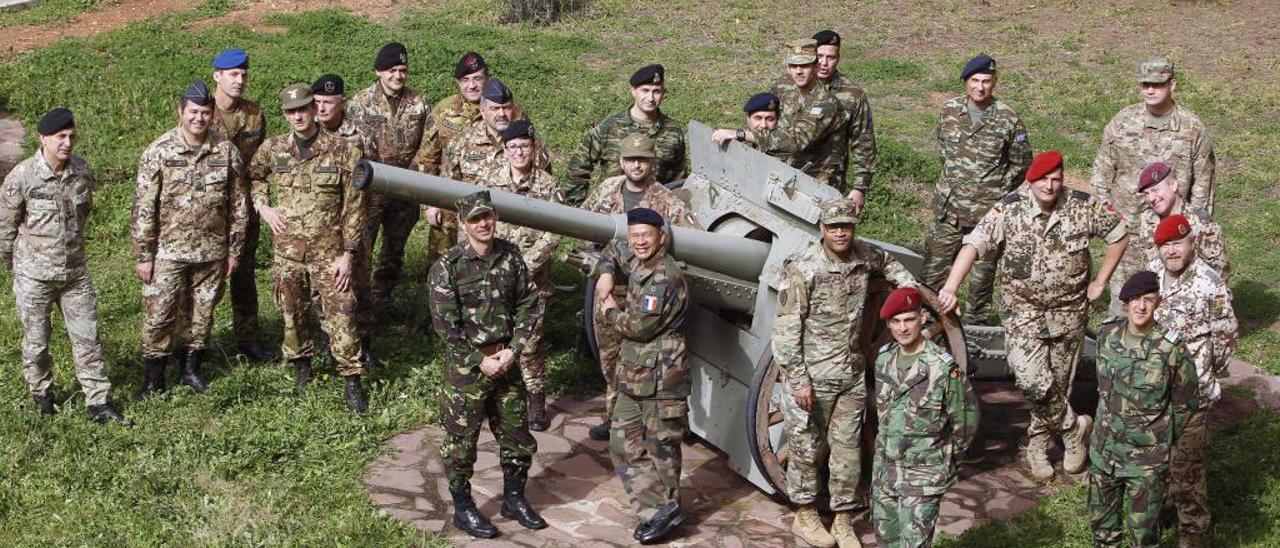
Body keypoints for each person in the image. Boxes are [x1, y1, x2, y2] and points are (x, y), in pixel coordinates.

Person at [938, 151, 1128, 481]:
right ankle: (1073, 430)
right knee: (1031, 380)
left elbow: (1119, 234)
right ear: (1031, 179)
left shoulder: (1083, 206)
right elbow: (973, 244)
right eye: (1043, 179)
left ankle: (1038, 447)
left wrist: (1102, 281)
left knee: (1056, 384)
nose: (1050, 186)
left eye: (1056, 180)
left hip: (1069, 313)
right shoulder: (1009, 208)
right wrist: (952, 286)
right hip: (1023, 313)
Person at [773, 198, 917, 548]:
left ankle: (841, 520)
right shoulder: (803, 267)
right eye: (834, 226)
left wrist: (911, 292)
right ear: (822, 228)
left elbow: (893, 267)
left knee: (848, 449)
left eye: (846, 226)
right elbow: (787, 330)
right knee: (806, 447)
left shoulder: (865, 256)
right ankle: (805, 516)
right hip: (812, 377)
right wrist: (798, 380)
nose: (841, 232)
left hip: (851, 374)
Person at [428, 191, 545, 539]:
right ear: (464, 224)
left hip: (506, 362)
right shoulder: (447, 267)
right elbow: (445, 327)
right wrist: (481, 360)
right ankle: (463, 508)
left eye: (487, 217)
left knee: (517, 437)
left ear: (494, 217)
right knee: (461, 443)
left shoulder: (511, 257)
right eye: (475, 219)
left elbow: (529, 304)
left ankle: (514, 498)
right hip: (468, 371)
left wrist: (513, 350)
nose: (483, 224)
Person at [0, 108, 125, 423]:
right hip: (34, 278)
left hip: (74, 274)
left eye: (71, 136)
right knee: (37, 343)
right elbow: (5, 225)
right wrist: (12, 264)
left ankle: (97, 401)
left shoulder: (81, 171)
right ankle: (42, 396)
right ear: (43, 139)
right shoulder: (23, 176)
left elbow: (84, 212)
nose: (67, 143)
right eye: (60, 137)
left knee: (88, 339)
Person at [249, 83, 368, 413]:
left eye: (303, 109)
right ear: (285, 115)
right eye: (291, 111)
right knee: (292, 314)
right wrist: (263, 207)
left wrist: (348, 254)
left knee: (342, 315)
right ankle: (303, 370)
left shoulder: (343, 151)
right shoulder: (274, 149)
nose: (298, 116)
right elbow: (254, 175)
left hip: (329, 253)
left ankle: (352, 380)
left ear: (315, 110)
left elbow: (355, 206)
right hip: (288, 253)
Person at [131, 79, 248, 397]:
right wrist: (144, 254)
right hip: (167, 251)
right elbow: (144, 205)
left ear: (212, 115)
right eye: (193, 112)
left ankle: (190, 369)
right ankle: (154, 379)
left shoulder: (225, 151)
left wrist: (234, 250)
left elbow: (238, 204)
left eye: (205, 112)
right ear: (180, 112)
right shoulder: (159, 151)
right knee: (160, 313)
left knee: (202, 314)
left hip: (212, 251)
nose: (199, 118)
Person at [581, 133, 697, 441]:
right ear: (620, 161)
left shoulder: (666, 200)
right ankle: (615, 415)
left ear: (652, 163)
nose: (636, 165)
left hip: (650, 294)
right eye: (631, 159)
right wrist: (604, 269)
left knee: (647, 359)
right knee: (610, 359)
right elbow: (582, 231)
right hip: (609, 294)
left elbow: (693, 243)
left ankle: (655, 419)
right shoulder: (606, 190)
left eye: (643, 159)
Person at [1091, 57, 1216, 315]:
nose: (1150, 90)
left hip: (1170, 237)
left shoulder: (1192, 129)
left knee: (1170, 305)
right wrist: (1108, 219)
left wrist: (1193, 232)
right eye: (1145, 84)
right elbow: (1101, 173)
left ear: (1172, 85)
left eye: (1157, 85)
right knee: (1124, 303)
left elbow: (1204, 184)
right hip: (1129, 232)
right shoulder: (1123, 122)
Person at [596, 207, 691, 544]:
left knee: (662, 448)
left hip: (662, 376)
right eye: (634, 235)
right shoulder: (636, 256)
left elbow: (638, 327)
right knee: (622, 443)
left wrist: (609, 310)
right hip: (634, 373)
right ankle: (656, 511)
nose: (638, 242)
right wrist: (606, 272)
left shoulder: (665, 277)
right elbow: (612, 246)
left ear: (660, 237)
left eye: (645, 236)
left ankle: (667, 514)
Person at [1087, 271, 1198, 548]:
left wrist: (1159, 439)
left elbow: (1186, 402)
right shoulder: (1106, 334)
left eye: (1148, 299)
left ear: (1158, 301)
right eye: (1135, 299)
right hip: (1104, 453)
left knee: (1144, 535)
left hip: (1146, 462)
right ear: (1125, 302)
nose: (1141, 306)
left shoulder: (1171, 349)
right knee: (1102, 530)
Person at [921, 54, 1031, 325]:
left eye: (986, 81)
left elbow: (1022, 164)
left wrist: (996, 191)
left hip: (987, 215)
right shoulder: (949, 110)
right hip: (949, 212)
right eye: (975, 81)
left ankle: (973, 333)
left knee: (980, 283)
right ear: (965, 82)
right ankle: (926, 325)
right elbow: (944, 153)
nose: (980, 87)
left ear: (994, 83)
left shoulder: (1008, 118)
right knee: (933, 274)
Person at [1150, 214, 1238, 548]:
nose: (1171, 251)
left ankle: (1192, 532)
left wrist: (1206, 375)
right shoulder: (1152, 275)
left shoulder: (1209, 283)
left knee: (1188, 468)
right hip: (1155, 392)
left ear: (1192, 243)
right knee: (1155, 460)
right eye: (1165, 245)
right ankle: (1156, 516)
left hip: (1192, 394)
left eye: (1177, 243)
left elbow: (1225, 337)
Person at [872, 287, 979, 548]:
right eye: (895, 322)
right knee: (886, 540)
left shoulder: (943, 368)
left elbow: (966, 422)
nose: (903, 328)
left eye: (909, 319)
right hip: (885, 471)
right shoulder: (884, 360)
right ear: (888, 324)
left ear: (922, 317)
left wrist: (944, 461)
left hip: (923, 474)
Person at [474, 120, 561, 431]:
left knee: (531, 343)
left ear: (533, 148)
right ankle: (497, 398)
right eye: (513, 147)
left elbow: (554, 233)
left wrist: (526, 264)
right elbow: (476, 223)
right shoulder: (490, 181)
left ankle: (536, 400)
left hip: (532, 280)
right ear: (505, 150)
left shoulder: (547, 186)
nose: (519, 152)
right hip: (495, 278)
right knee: (494, 339)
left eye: (524, 146)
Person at [414, 52, 528, 266]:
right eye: (466, 80)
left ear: (487, 78)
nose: (472, 86)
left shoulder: (511, 111)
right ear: (458, 82)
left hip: (497, 198)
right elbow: (428, 159)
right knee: (442, 261)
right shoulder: (443, 111)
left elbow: (527, 150)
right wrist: (429, 204)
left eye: (477, 79)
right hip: (449, 199)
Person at [348, 42, 431, 306]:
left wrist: (413, 174)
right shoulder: (360, 103)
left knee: (394, 250)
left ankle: (381, 299)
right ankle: (359, 304)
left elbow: (427, 145)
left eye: (402, 70)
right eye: (392, 70)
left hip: (406, 189)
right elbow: (352, 146)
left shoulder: (418, 103)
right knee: (362, 248)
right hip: (372, 190)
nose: (398, 75)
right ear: (378, 72)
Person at [712, 39, 849, 195]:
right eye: (793, 66)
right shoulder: (786, 92)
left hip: (818, 185)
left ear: (816, 67)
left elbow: (796, 141)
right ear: (787, 68)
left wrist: (741, 135)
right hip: (787, 178)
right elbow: (767, 126)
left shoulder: (826, 103)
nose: (798, 71)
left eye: (804, 66)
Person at [312, 73, 381, 370]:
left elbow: (373, 178)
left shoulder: (359, 136)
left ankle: (364, 344)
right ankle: (329, 343)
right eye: (317, 103)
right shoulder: (307, 135)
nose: (322, 109)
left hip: (355, 225)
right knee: (321, 289)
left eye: (328, 102)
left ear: (343, 103)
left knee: (361, 286)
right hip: (319, 229)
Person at [209, 47, 271, 362]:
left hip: (244, 208)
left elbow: (260, 162)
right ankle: (195, 343)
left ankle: (248, 339)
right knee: (203, 277)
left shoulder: (254, 113)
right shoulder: (200, 110)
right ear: (217, 76)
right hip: (210, 209)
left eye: (244, 74)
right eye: (233, 74)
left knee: (245, 275)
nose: (239, 80)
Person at [562, 64, 686, 206]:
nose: (650, 98)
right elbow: (577, 169)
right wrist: (577, 209)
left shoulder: (673, 131)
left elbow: (679, 180)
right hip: (614, 210)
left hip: (653, 215)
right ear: (633, 91)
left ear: (664, 93)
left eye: (656, 91)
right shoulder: (609, 127)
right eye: (645, 90)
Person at [810, 29, 877, 204]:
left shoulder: (853, 95)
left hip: (829, 184)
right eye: (819, 56)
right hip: (787, 174)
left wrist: (860, 188)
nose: (824, 63)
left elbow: (864, 141)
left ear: (838, 58)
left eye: (830, 57)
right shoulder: (788, 87)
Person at [1135, 161, 1228, 282]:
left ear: (1173, 185)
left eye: (1155, 190)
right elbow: (1145, 264)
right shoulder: (1147, 220)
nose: (1151, 198)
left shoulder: (1202, 224)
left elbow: (1219, 274)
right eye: (1146, 194)